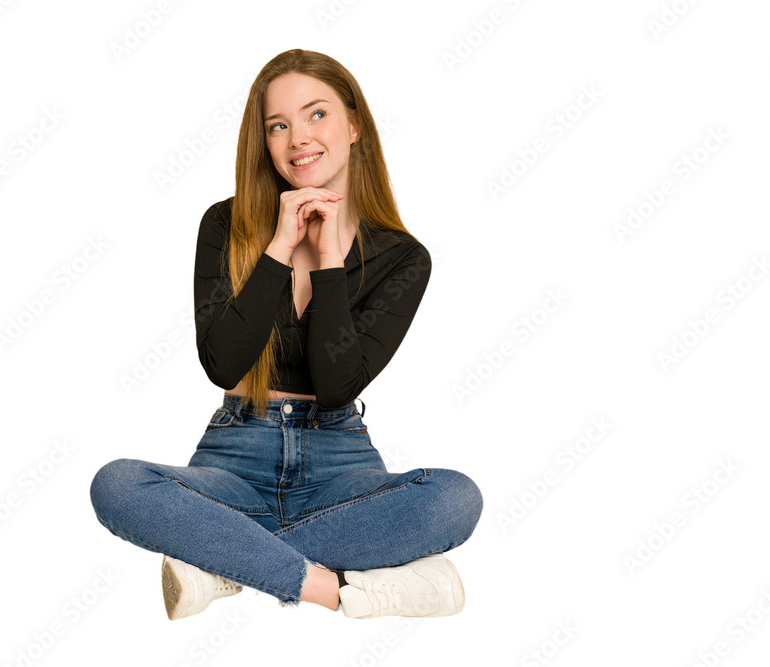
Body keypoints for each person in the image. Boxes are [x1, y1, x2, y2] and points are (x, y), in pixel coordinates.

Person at [89, 48, 483, 621]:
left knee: (455, 499)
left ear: (354, 126)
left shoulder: (402, 258)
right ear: (265, 142)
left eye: (317, 114)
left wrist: (326, 260)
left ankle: (221, 563)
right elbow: (223, 365)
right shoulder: (225, 225)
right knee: (117, 485)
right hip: (234, 459)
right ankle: (340, 589)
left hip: (340, 467)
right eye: (279, 125)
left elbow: (336, 384)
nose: (298, 137)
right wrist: (278, 246)